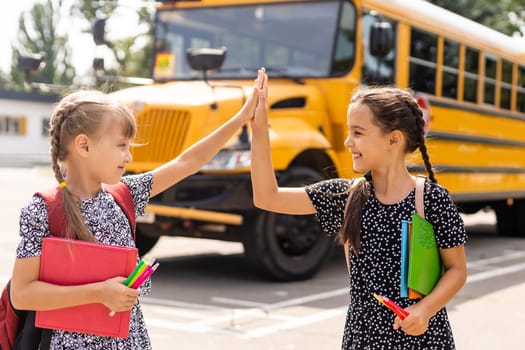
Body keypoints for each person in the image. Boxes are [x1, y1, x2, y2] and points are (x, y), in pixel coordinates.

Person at [10, 69, 264, 349]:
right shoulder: (43, 209)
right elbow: (22, 295)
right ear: (83, 145)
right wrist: (99, 293)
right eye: (121, 146)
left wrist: (241, 118)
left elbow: (187, 162)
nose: (129, 157)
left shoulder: (125, 194)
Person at [250, 70, 468, 349]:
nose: (347, 142)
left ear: (393, 139)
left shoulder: (432, 200)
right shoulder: (347, 196)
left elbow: (457, 270)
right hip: (362, 341)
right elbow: (267, 197)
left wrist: (424, 310)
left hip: (423, 341)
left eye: (358, 133)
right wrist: (259, 127)